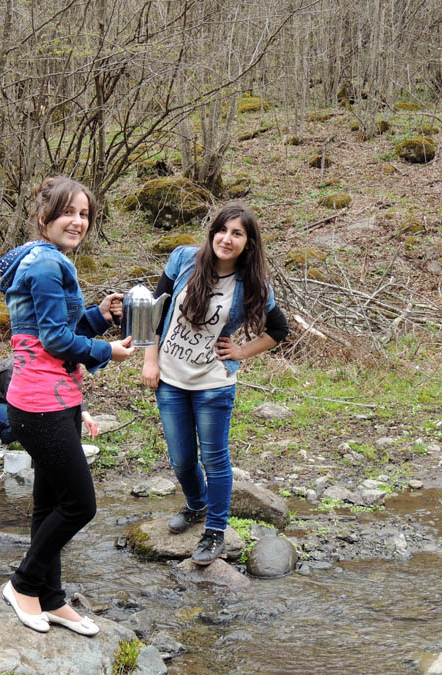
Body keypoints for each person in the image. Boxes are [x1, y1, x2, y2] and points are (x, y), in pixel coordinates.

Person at [0, 176, 133, 634]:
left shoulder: (44, 260)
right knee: (79, 504)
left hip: (57, 398)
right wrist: (107, 351)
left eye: (85, 214)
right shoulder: (46, 266)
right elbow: (55, 340)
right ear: (44, 218)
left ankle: (50, 597)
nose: (78, 222)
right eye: (68, 213)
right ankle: (23, 585)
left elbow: (49, 328)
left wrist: (99, 316)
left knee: (47, 502)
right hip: (40, 405)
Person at [141, 202, 289, 565]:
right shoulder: (183, 260)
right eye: (222, 230)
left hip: (213, 384)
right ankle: (197, 505)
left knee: (214, 458)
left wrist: (240, 351)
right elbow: (153, 313)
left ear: (248, 243)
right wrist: (149, 359)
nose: (227, 238)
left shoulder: (251, 284)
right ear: (212, 232)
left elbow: (278, 330)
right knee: (181, 458)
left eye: (237, 233)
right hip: (170, 379)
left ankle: (215, 531)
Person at [0, 356, 100, 457]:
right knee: (23, 422)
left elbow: (64, 395)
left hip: (19, 402)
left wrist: (85, 415)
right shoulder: (12, 371)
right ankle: (2, 439)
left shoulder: (45, 368)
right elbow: (17, 410)